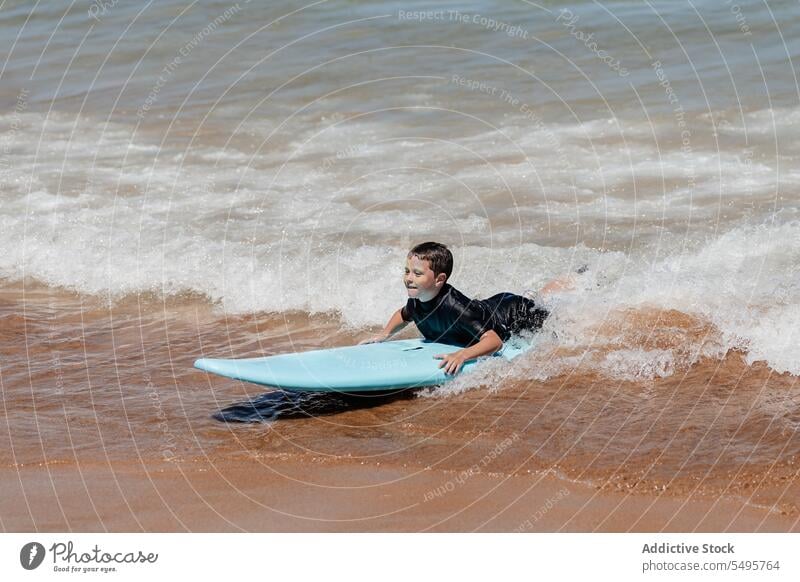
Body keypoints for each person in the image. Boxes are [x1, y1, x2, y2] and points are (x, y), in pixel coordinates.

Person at [360, 241, 572, 375]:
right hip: (492, 306)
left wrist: (463, 355)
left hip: (515, 313)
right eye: (406, 271)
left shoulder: (456, 309)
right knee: (543, 299)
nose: (408, 279)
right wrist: (385, 334)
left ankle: (575, 279)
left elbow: (495, 341)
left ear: (439, 280)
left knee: (554, 314)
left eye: (417, 274)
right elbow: (403, 314)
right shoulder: (417, 301)